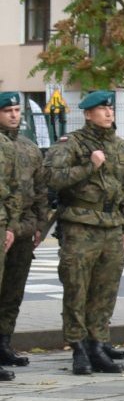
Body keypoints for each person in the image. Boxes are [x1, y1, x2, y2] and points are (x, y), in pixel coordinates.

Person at [45, 90, 124, 376]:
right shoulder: (70, 144)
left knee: (105, 290)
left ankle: (98, 343)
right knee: (77, 287)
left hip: (111, 225)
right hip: (80, 224)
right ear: (87, 114)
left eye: (111, 109)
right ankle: (78, 347)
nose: (109, 113)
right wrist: (88, 166)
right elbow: (52, 179)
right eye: (102, 109)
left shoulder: (121, 148)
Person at [0, 92, 48, 374]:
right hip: (5, 222)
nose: (14, 115)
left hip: (24, 226)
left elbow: (40, 190)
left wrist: (40, 225)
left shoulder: (29, 148)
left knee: (14, 290)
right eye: (8, 111)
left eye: (17, 110)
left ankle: (4, 342)